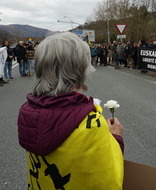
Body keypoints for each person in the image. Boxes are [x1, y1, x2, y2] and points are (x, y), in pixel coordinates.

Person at [17, 32, 124, 189]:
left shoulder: (29, 110)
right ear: (80, 68)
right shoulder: (91, 123)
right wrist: (116, 138)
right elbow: (108, 182)